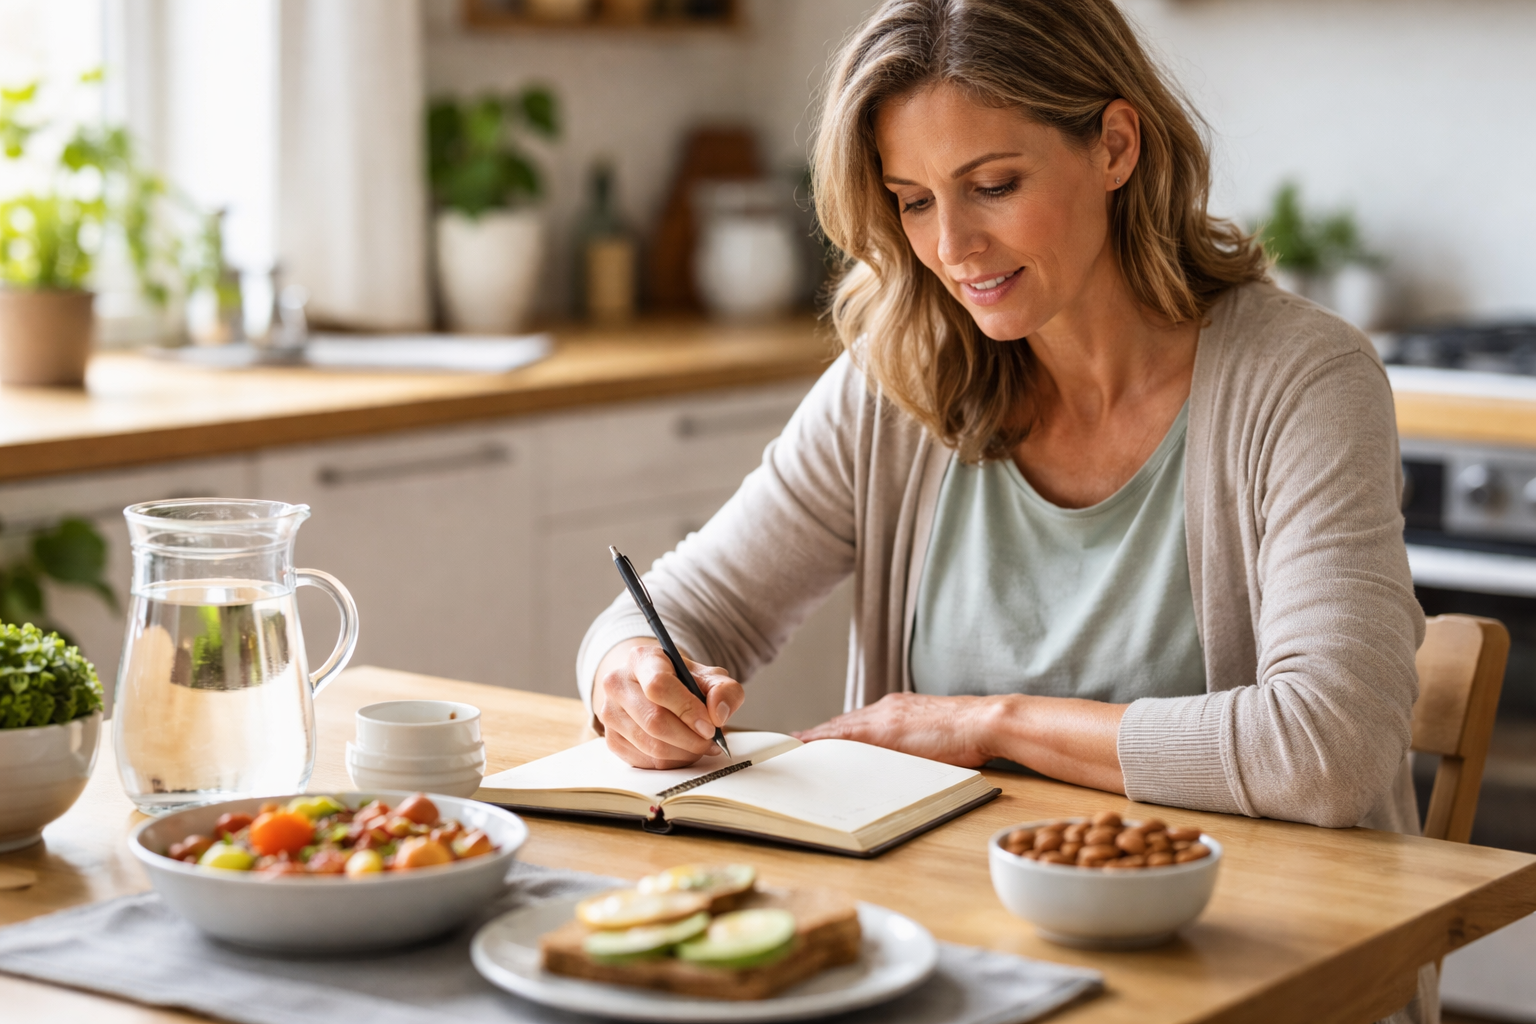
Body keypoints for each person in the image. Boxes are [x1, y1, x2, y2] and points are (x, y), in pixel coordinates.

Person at [578, 5, 1429, 1016]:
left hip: (1255, 971)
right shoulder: (900, 380)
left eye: (994, 185)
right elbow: (671, 610)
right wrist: (630, 673)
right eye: (913, 200)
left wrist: (984, 724)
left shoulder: (1301, 380)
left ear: (1115, 145)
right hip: (957, 966)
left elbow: (1330, 749)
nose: (953, 245)